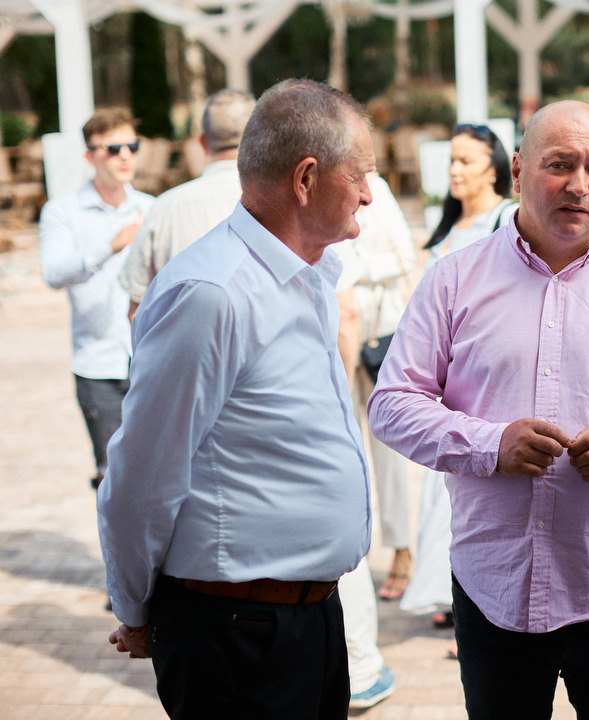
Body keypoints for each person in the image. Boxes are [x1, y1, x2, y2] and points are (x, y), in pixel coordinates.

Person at [368, 100, 589, 719]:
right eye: (559, 164)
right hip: (493, 590)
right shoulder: (454, 281)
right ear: (517, 170)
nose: (579, 185)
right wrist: (490, 446)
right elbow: (393, 405)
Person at [97, 78, 376, 720]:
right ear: (305, 179)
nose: (368, 192)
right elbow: (141, 477)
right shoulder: (213, 294)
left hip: (304, 619)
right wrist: (136, 609)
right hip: (239, 630)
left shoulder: (306, 276)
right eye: (359, 174)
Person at [401, 123, 517, 640]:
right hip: (442, 381)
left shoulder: (506, 221)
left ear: (494, 168)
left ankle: (480, 600)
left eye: (466, 161)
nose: (454, 170)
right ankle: (449, 592)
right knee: (442, 490)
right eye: (451, 159)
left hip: (484, 381)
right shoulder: (445, 227)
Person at [334, 171, 418, 708]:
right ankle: (358, 551)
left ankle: (402, 550)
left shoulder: (378, 188)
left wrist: (360, 269)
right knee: (352, 457)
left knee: (389, 456)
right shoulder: (321, 181)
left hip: (380, 333)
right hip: (342, 333)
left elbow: (404, 257)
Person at [38, 108, 154, 490]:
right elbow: (54, 273)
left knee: (163, 471)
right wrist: (110, 245)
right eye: (113, 148)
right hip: (98, 364)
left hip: (152, 359)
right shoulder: (63, 212)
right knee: (113, 479)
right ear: (90, 156)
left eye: (132, 146)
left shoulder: (153, 208)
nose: (125, 155)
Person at [118, 88, 255, 319]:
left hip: (184, 341)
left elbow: (137, 309)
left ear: (202, 142)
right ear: (258, 139)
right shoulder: (282, 202)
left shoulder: (164, 208)